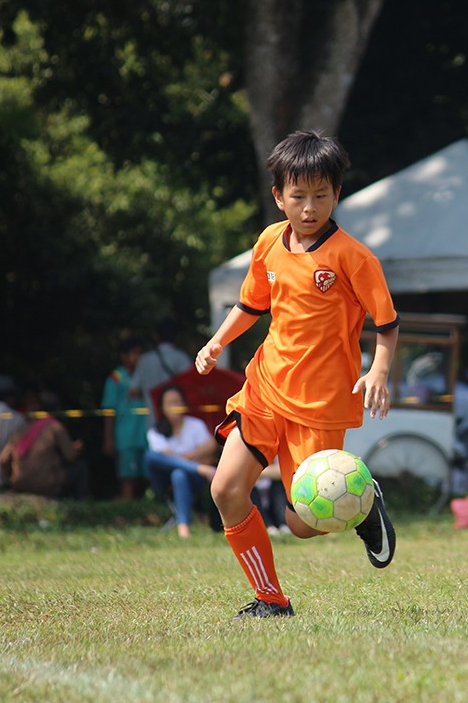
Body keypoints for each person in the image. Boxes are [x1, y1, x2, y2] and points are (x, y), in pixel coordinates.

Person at [194, 130, 400, 619]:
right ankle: (272, 600)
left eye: (321, 196)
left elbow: (387, 325)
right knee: (225, 490)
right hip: (265, 387)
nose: (309, 207)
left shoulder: (354, 256)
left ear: (337, 194)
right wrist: (217, 341)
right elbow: (251, 304)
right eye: (298, 196)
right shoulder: (268, 241)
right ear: (278, 196)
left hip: (321, 403)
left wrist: (379, 372)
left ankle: (366, 504)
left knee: (304, 522)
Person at [145, 384, 220, 539]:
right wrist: (198, 463)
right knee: (150, 456)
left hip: (194, 481)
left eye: (177, 402)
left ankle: (183, 527)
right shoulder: (155, 431)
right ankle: (199, 469)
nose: (175, 406)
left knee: (179, 473)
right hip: (165, 482)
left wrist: (186, 458)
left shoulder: (196, 425)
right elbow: (163, 458)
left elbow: (211, 445)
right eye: (170, 403)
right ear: (162, 408)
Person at [0, 389, 88, 498]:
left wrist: (14, 475)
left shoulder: (23, 427)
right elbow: (70, 456)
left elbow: (3, 459)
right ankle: (82, 505)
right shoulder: (55, 427)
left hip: (19, 484)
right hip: (46, 485)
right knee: (81, 468)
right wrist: (76, 449)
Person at [101, 337, 148, 500]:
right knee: (127, 476)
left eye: (140, 353)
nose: (138, 357)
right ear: (123, 355)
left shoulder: (146, 375)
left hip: (145, 433)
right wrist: (108, 439)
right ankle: (128, 506)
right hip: (125, 435)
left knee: (148, 473)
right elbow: (109, 410)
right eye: (134, 353)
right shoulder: (115, 378)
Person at [130, 318, 191, 412]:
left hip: (152, 417)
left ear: (156, 336)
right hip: (176, 416)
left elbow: (133, 391)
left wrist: (148, 394)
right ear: (177, 336)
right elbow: (190, 386)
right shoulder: (181, 358)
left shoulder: (145, 360)